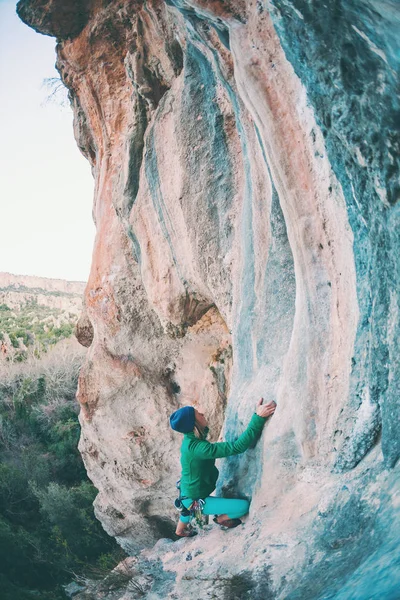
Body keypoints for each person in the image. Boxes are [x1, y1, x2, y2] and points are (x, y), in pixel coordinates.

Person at [169, 398, 276, 537]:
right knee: (242, 507)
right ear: (194, 424)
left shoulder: (190, 440)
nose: (202, 414)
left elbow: (203, 451)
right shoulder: (198, 448)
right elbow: (238, 447)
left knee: (188, 506)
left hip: (188, 490)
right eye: (198, 414)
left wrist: (214, 447)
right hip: (194, 497)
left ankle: (180, 530)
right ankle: (220, 519)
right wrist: (258, 418)